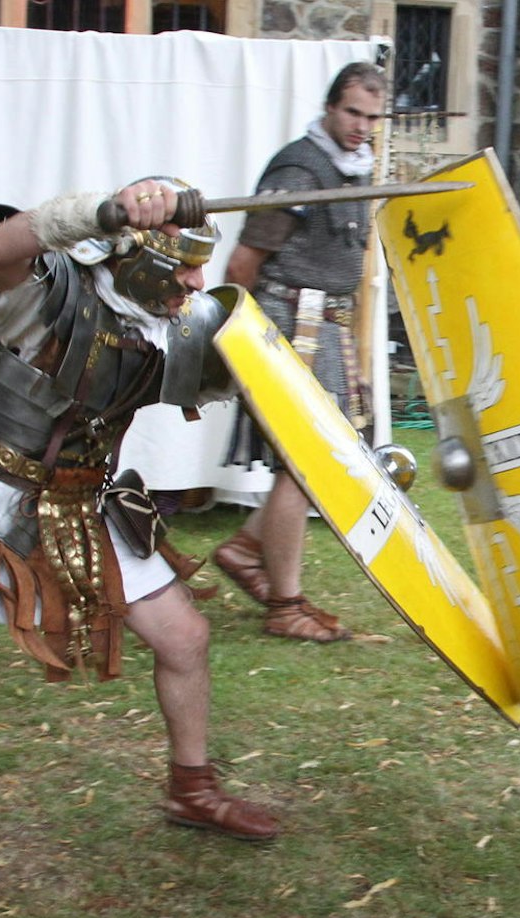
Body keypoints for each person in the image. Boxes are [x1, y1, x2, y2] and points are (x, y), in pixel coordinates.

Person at [0, 178, 280, 918]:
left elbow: (257, 378)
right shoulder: (45, 297)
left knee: (185, 638)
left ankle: (190, 787)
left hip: (84, 500)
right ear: (137, 256)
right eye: (183, 265)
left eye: (200, 268)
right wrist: (103, 209)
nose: (195, 283)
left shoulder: (171, 324)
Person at [212, 62, 386, 643]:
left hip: (328, 324)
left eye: (372, 117)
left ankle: (246, 549)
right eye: (353, 112)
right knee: (307, 459)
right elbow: (242, 265)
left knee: (331, 455)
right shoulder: (299, 168)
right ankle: (284, 604)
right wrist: (244, 343)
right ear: (330, 108)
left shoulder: (354, 167)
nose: (361, 126)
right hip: (292, 321)